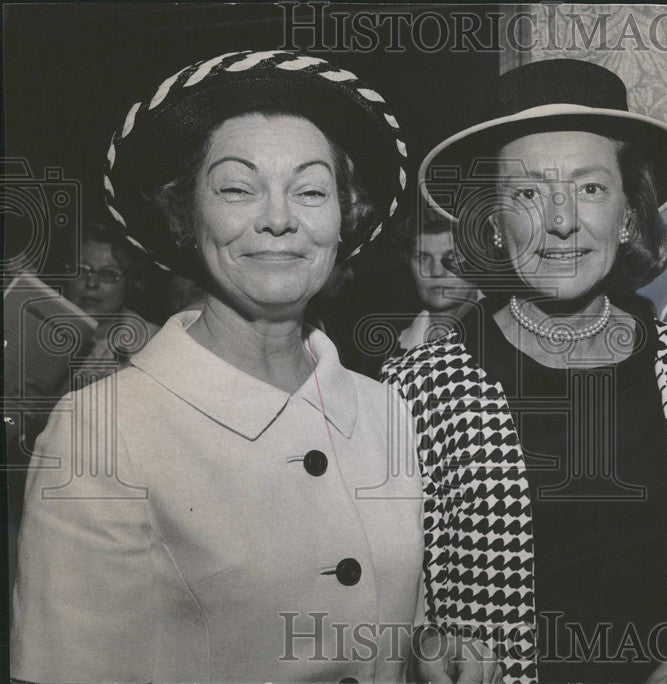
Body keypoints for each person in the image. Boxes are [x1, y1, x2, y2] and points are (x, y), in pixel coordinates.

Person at [11, 50, 494, 682]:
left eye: (312, 190)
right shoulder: (101, 429)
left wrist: (420, 647)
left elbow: (377, 604)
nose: (277, 218)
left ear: (344, 218)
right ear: (186, 215)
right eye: (238, 189)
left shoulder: (386, 409)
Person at [382, 59, 667, 682]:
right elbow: (390, 589)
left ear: (629, 215)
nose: (562, 221)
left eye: (591, 188)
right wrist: (425, 647)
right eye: (527, 193)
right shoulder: (419, 386)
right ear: (492, 223)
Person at [63, 219, 161, 387]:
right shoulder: (41, 328)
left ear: (131, 282)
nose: (91, 283)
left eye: (108, 274)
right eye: (81, 269)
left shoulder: (152, 343)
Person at [397, 213, 480, 351]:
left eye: (453, 256)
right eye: (423, 258)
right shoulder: (395, 348)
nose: (436, 272)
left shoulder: (506, 333)